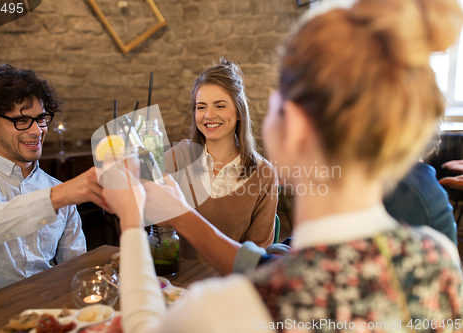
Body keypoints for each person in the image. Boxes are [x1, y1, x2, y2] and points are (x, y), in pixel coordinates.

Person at [102, 0, 463, 331]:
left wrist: (132, 224)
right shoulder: (439, 257)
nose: (209, 115)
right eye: (201, 106)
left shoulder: (235, 308)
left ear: (296, 126)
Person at [0, 64, 111, 304]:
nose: (36, 131)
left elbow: (76, 266)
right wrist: (55, 198)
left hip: (48, 311)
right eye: (21, 120)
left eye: (41, 119)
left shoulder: (56, 187)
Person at [163, 59, 278, 260]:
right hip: (175, 283)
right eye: (201, 107)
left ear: (239, 111)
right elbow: (139, 199)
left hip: (227, 286)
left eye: (220, 105)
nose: (209, 115)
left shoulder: (263, 174)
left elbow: (256, 256)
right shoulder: (178, 157)